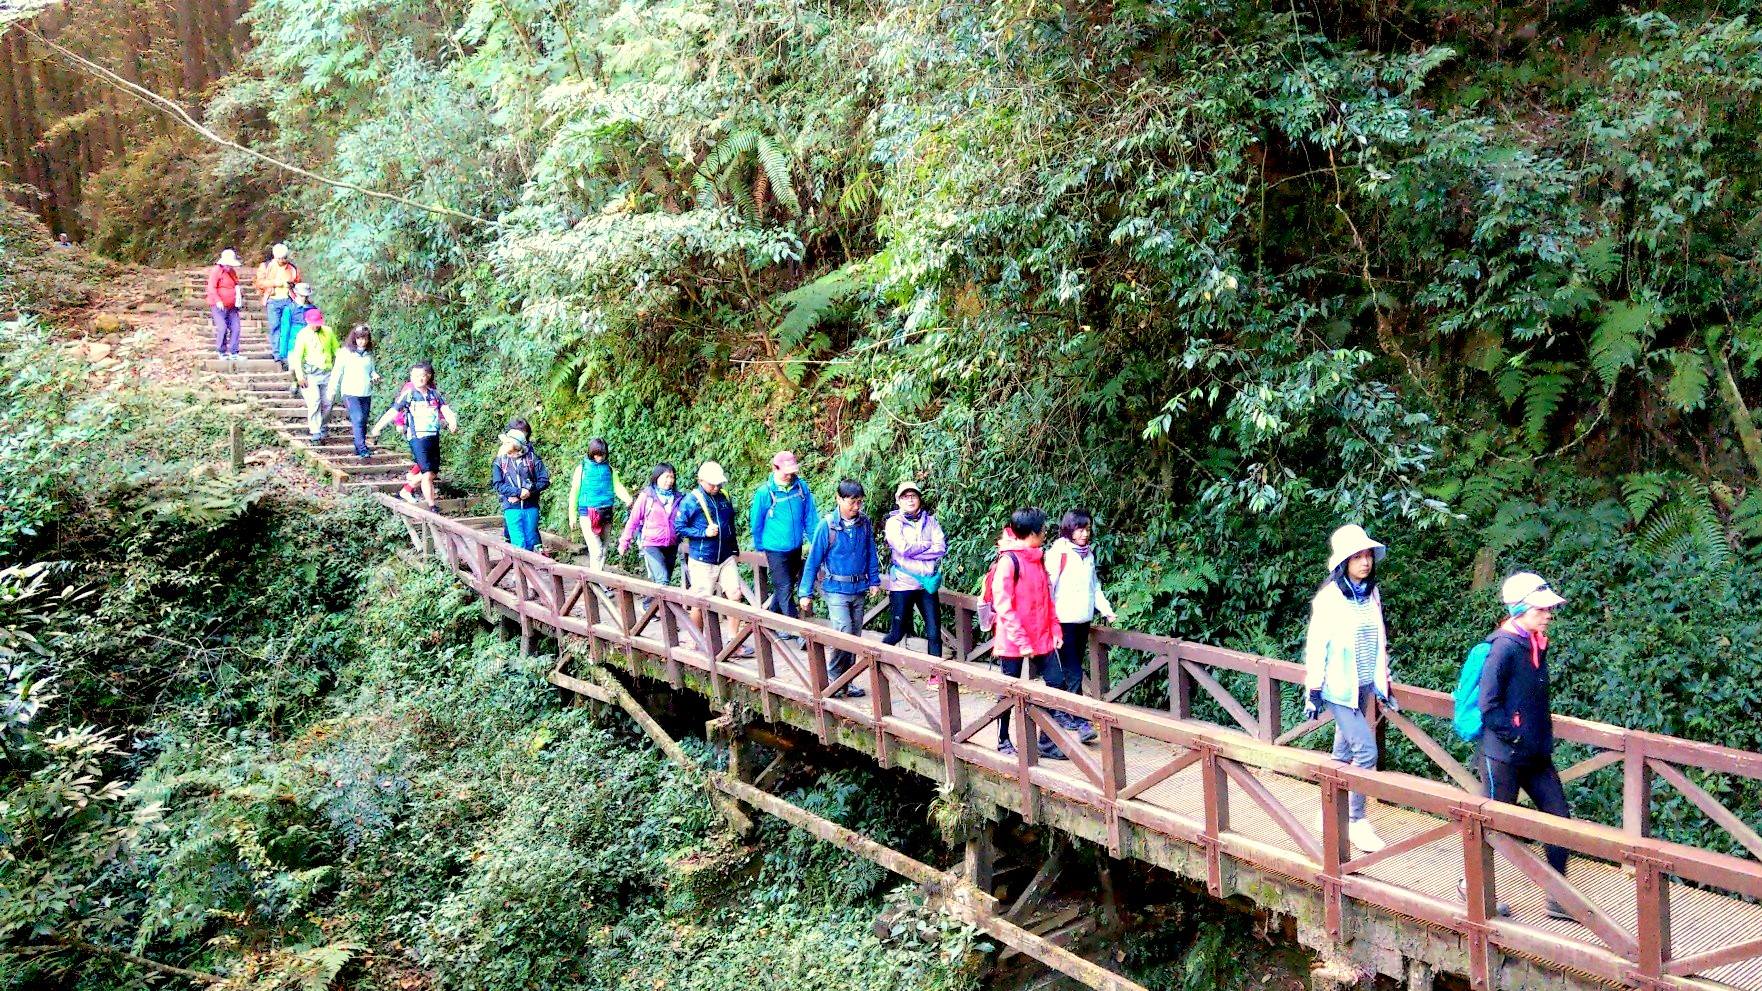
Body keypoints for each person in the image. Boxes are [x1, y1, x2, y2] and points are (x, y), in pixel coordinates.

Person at [1480, 571, 1574, 921]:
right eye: (1543, 609)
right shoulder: (1503, 648)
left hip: (1536, 754)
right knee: (1493, 825)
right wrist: (1516, 735)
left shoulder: (1536, 643)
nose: (1549, 614)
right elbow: (1488, 705)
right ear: (1521, 610)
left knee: (1559, 819)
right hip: (1503, 756)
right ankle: (1470, 885)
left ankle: (1558, 896)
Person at [1301, 524, 1395, 854]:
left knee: (1343, 754)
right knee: (1366, 752)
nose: (1365, 561)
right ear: (1344, 562)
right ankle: (1355, 820)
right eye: (1357, 556)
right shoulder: (1330, 598)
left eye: (1367, 554)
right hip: (1338, 688)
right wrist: (1313, 689)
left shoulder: (1371, 593)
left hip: (1365, 684)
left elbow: (1378, 639)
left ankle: (1329, 810)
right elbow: (1317, 645)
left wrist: (1384, 683)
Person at [987, 508, 1065, 760]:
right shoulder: (1010, 561)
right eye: (1043, 529)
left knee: (1056, 683)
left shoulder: (1037, 557)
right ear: (1032, 533)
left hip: (1041, 634)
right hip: (1013, 639)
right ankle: (1003, 740)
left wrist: (1055, 628)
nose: (1045, 533)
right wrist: (1022, 642)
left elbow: (1047, 597)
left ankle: (1047, 741)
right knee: (1008, 690)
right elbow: (1003, 605)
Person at [798, 480, 882, 698]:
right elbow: (813, 560)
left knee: (854, 636)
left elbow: (870, 552)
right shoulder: (827, 526)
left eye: (859, 502)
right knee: (843, 631)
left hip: (859, 587)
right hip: (836, 588)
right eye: (852, 502)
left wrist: (874, 580)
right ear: (839, 499)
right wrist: (805, 592)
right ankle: (835, 678)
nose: (857, 507)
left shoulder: (864, 523)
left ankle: (848, 680)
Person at [1046, 509, 1116, 744]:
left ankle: (1065, 712)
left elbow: (1094, 587)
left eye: (1087, 529)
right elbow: (1048, 588)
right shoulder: (1059, 554)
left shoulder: (1088, 555)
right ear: (1069, 529)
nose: (1085, 534)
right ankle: (1081, 721)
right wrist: (1049, 620)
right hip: (1063, 620)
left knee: (1072, 668)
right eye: (1080, 529)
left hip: (1083, 620)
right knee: (1074, 670)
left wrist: (1106, 609)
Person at [673, 461, 747, 652]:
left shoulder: (724, 497)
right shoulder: (691, 500)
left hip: (725, 557)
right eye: (712, 484)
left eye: (718, 484)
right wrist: (703, 532)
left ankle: (733, 641)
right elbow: (679, 527)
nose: (716, 487)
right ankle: (696, 639)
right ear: (701, 480)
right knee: (700, 601)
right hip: (702, 559)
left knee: (735, 594)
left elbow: (730, 525)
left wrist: (734, 549)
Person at [369, 361, 458, 511]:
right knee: (428, 473)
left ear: (428, 376)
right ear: (411, 377)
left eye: (421, 376)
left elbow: (445, 409)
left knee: (433, 472)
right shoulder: (409, 394)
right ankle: (432, 506)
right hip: (417, 438)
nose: (418, 379)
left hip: (433, 436)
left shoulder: (434, 394)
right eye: (414, 376)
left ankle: (407, 489)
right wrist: (377, 427)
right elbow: (393, 411)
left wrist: (452, 421)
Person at [881, 480, 946, 664]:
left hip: (926, 583)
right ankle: (878, 660)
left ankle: (936, 675)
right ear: (898, 500)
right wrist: (927, 546)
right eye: (905, 497)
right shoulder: (894, 523)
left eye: (913, 496)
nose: (910, 500)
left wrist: (915, 550)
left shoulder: (930, 521)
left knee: (934, 631)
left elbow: (940, 547)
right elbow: (902, 548)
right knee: (898, 630)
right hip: (902, 583)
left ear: (919, 499)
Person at [751, 450, 817, 623]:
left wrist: (816, 542)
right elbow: (756, 522)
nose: (790, 475)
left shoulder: (801, 487)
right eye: (786, 472)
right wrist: (759, 547)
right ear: (775, 468)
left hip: (795, 546)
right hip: (774, 548)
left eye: (792, 472)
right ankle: (797, 631)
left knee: (786, 586)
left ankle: (769, 621)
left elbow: (810, 518)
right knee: (785, 587)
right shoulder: (765, 492)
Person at [569, 438, 632, 571]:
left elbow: (617, 486)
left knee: (603, 550)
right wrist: (572, 515)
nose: (599, 457)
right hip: (587, 513)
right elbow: (574, 491)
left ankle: (597, 581)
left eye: (601, 454)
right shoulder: (582, 469)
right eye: (596, 454)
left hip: (606, 512)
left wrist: (627, 498)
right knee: (596, 551)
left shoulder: (609, 469)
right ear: (591, 453)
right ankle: (596, 583)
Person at [491, 420, 550, 552]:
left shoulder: (532, 459)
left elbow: (544, 480)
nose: (509, 454)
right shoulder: (500, 461)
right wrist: (518, 492)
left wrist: (529, 491)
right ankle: (521, 572)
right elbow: (498, 484)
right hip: (511, 507)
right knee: (518, 542)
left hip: (531, 506)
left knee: (530, 540)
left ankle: (526, 571)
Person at [620, 463, 682, 587]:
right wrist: (624, 542)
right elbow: (633, 520)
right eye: (666, 477)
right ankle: (660, 607)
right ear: (657, 477)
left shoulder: (678, 498)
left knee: (664, 581)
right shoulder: (647, 496)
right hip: (651, 544)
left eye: (672, 477)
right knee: (662, 581)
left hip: (671, 544)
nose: (670, 481)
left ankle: (649, 605)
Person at [288, 309, 340, 444]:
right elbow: (297, 357)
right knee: (314, 401)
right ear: (307, 322)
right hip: (311, 374)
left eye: (318, 323)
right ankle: (315, 430)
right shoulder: (303, 335)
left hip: (327, 373)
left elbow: (337, 351)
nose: (316, 326)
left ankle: (322, 426)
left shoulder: (328, 332)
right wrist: (299, 376)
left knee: (328, 402)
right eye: (313, 323)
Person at [329, 324, 380, 460]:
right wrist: (332, 390)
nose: (361, 341)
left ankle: (358, 447)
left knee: (363, 420)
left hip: (365, 392)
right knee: (357, 418)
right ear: (354, 338)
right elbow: (336, 372)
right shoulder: (345, 353)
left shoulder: (369, 354)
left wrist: (374, 375)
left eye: (364, 338)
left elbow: (371, 369)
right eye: (359, 338)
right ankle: (363, 448)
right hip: (350, 392)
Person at [258, 243, 300, 368]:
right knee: (275, 327)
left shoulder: (292, 268)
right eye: (279, 258)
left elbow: (298, 282)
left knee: (287, 326)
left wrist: (291, 285)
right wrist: (274, 283)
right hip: (273, 299)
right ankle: (277, 354)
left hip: (288, 299)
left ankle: (286, 352)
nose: (282, 261)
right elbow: (259, 282)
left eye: (284, 258)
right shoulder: (266, 266)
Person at [205, 249, 242, 360]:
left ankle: (234, 352)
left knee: (236, 327)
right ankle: (221, 351)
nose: (229, 267)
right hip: (218, 305)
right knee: (222, 327)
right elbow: (211, 287)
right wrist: (218, 300)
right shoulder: (216, 271)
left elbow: (236, 284)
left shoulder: (231, 272)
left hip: (232, 306)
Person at [276, 282, 317, 375]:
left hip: (310, 344)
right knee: (295, 369)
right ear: (296, 294)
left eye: (306, 296)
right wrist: (283, 352)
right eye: (302, 296)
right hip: (293, 345)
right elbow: (285, 331)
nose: (304, 298)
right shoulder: (289, 309)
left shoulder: (312, 309)